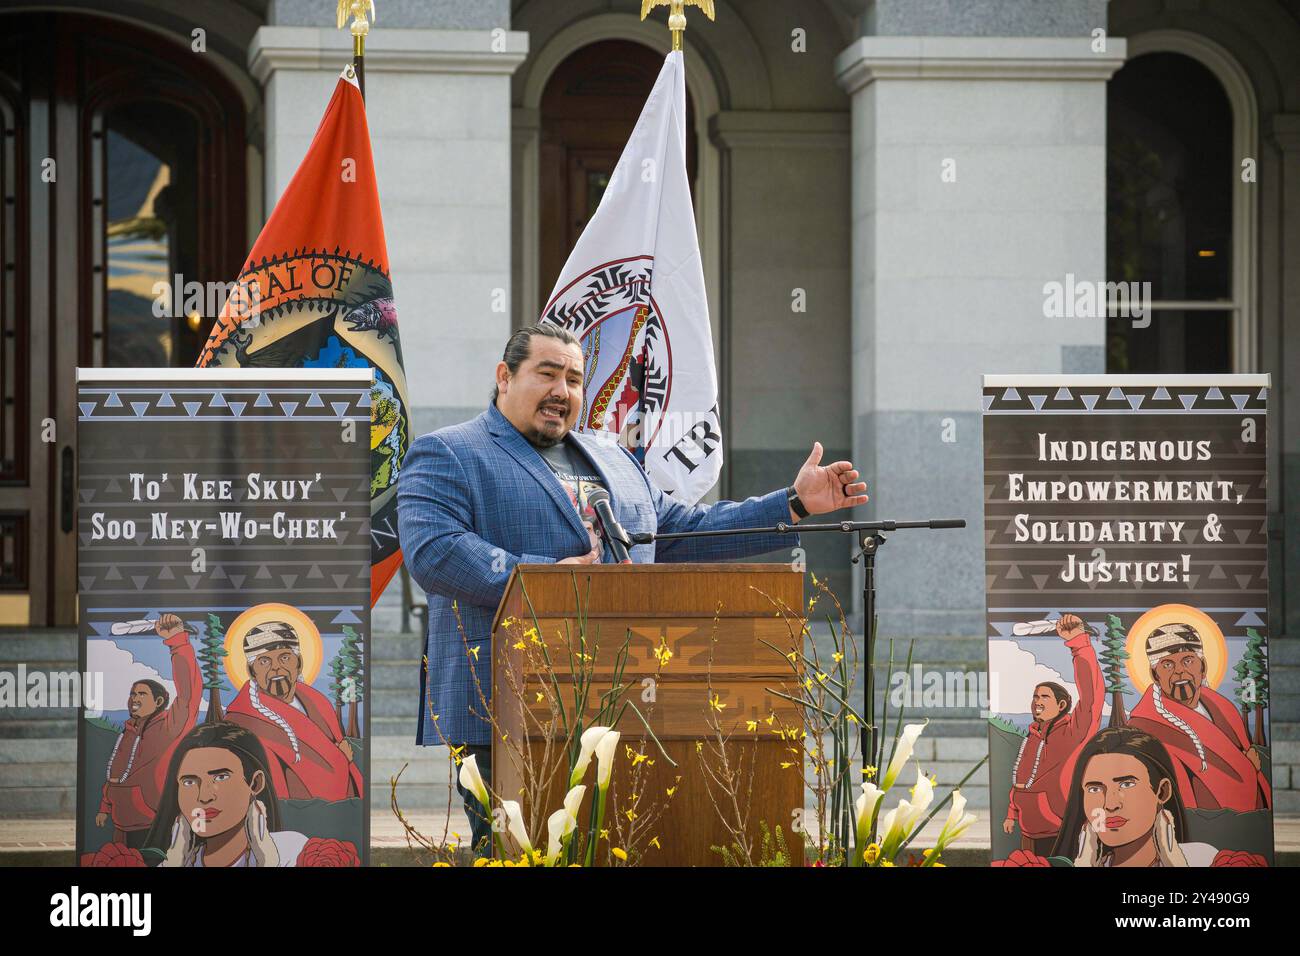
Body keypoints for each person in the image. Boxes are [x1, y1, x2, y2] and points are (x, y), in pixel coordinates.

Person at [397, 323, 869, 854]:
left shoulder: (616, 460)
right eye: (546, 374)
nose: (562, 391)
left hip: (637, 698)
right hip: (502, 700)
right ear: (504, 377)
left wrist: (793, 504)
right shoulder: (450, 453)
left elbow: (682, 532)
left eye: (574, 380)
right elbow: (436, 552)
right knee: (515, 850)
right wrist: (548, 581)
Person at [1127, 623, 1270, 811]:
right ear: (1155, 674)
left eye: (1187, 660)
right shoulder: (1143, 727)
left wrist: (1250, 767)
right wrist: (1248, 767)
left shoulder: (1223, 707)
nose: (1179, 671)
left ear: (1203, 667)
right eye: (1168, 664)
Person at [224, 621, 363, 801]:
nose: (275, 667)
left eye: (284, 657)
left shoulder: (317, 701)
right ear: (252, 670)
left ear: (299, 663)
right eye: (264, 661)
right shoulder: (242, 722)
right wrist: (340, 758)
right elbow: (270, 793)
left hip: (340, 814)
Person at [95, 613, 200, 848]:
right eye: (133, 693)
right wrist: (105, 808)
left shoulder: (168, 728)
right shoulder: (127, 732)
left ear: (160, 701)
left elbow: (188, 694)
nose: (134, 698)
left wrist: (178, 642)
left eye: (141, 694)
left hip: (154, 825)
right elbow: (115, 774)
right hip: (121, 825)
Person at [1002, 612, 1103, 854]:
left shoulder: (1073, 733)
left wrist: (1078, 644)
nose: (1037, 701)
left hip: (1061, 834)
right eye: (1035, 696)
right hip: (1027, 835)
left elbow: (1091, 698)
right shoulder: (1032, 737)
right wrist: (1011, 815)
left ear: (1061, 705)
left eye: (1044, 696)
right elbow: (1021, 781)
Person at [145, 722, 309, 867]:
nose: (204, 796)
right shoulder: (173, 864)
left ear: (255, 783)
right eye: (189, 782)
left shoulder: (292, 852)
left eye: (221, 777)